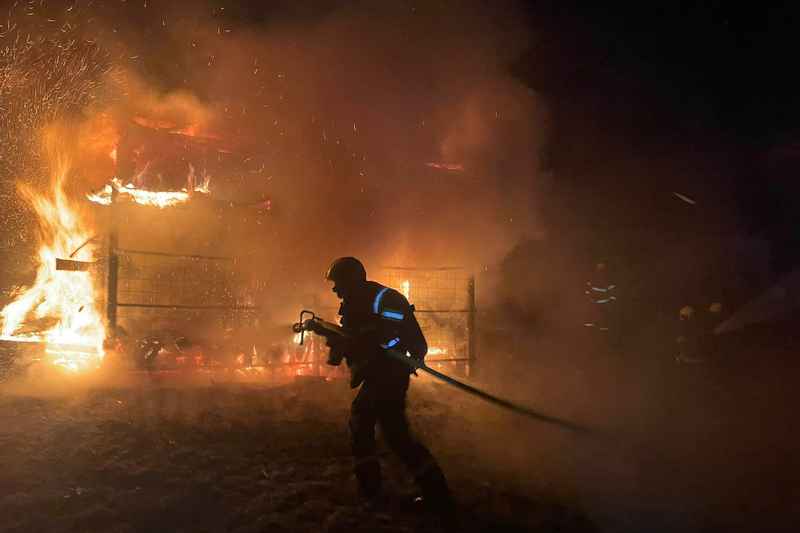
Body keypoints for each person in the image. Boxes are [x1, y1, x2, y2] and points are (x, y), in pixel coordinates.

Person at [323, 257, 455, 522]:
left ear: (352, 280)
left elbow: (393, 336)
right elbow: (356, 337)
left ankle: (431, 495)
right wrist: (333, 336)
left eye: (338, 283)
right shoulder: (355, 302)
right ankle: (385, 489)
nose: (335, 289)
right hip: (377, 373)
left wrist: (370, 343)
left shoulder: (386, 299)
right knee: (381, 430)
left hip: (391, 374)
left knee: (385, 431)